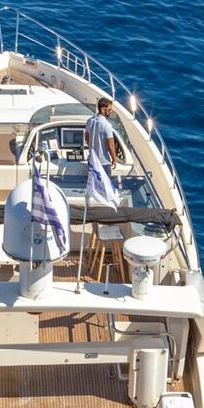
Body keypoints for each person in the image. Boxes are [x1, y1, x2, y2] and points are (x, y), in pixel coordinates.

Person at [82, 97, 126, 280]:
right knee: (106, 190)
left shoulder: (90, 121)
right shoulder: (106, 125)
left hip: (93, 160)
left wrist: (91, 147)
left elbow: (86, 137)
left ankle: (96, 210)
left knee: (94, 186)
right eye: (109, 109)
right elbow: (110, 145)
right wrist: (114, 158)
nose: (111, 111)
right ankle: (106, 215)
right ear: (103, 108)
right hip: (104, 163)